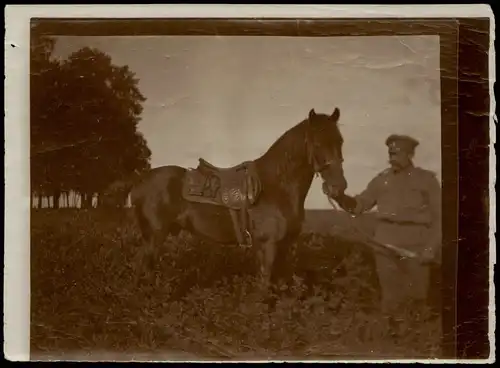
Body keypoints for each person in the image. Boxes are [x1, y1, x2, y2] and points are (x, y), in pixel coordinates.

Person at [324, 134, 442, 326]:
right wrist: (339, 197)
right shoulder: (381, 180)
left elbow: (440, 217)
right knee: (390, 299)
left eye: (398, 153)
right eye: (391, 153)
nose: (393, 157)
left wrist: (431, 247)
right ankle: (391, 342)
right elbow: (359, 205)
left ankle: (418, 344)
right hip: (384, 246)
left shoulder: (426, 180)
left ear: (410, 154)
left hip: (416, 247)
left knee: (418, 298)